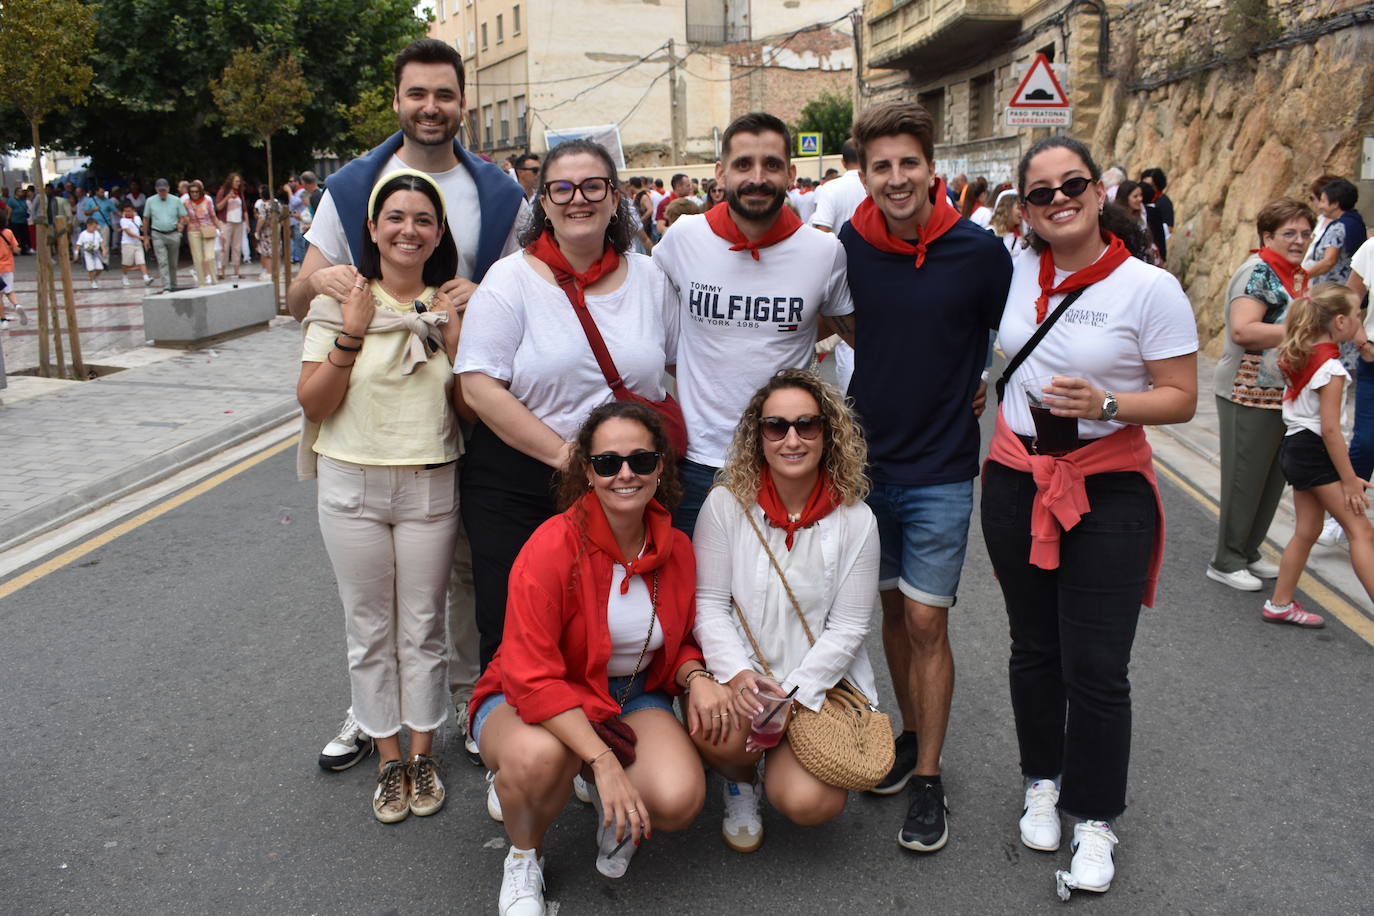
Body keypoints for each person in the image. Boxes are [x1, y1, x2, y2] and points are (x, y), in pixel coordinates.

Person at [291, 38, 527, 773]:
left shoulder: (499, 191)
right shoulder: (356, 182)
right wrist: (338, 295)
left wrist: (477, 302)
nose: (431, 107)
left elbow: (525, 284)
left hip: (470, 394)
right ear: (397, 100)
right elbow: (298, 290)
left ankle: (455, 700)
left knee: (457, 573)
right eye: (417, 94)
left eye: (444, 95)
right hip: (368, 408)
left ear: (464, 102)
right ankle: (374, 714)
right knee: (374, 601)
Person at [981, 135, 1197, 899]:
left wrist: (1109, 404)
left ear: (1098, 190)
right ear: (1025, 207)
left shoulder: (1148, 287)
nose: (1058, 199)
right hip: (1014, 480)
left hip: (1106, 489)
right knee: (1033, 647)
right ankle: (1042, 777)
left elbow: (1182, 396)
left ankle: (1096, 818)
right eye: (1041, 192)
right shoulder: (1010, 271)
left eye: (1071, 183)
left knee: (1098, 668)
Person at [840, 100, 1012, 853]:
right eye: (882, 166)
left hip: (943, 468)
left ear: (931, 170)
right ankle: (909, 737)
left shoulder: (979, 253)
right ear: (865, 175)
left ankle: (932, 777)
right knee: (888, 616)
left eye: (908, 163)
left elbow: (1016, 331)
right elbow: (844, 321)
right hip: (864, 467)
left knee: (925, 621)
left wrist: (977, 377)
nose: (896, 177)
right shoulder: (849, 245)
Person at [471, 402, 720, 915]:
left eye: (640, 461)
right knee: (539, 759)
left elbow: (680, 641)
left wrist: (696, 676)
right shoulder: (551, 546)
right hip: (530, 696)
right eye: (607, 463)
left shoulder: (676, 547)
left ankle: (611, 804)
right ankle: (525, 853)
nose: (624, 474)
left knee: (677, 798)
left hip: (626, 694)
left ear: (661, 468)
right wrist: (604, 762)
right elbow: (530, 676)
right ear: (587, 470)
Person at [456, 137, 678, 676]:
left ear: (615, 197)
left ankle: (613, 724)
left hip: (624, 480)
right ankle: (512, 740)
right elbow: (478, 386)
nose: (578, 198)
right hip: (522, 480)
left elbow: (680, 369)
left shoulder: (650, 279)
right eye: (562, 187)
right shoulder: (509, 280)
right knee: (518, 619)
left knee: (615, 616)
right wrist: (564, 456)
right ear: (545, 203)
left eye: (593, 186)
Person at [297, 169, 465, 823]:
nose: (408, 229)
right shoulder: (340, 300)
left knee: (423, 628)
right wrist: (354, 331)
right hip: (351, 482)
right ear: (372, 228)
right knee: (368, 630)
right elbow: (312, 400)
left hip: (429, 481)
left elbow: (470, 412)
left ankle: (423, 754)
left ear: (438, 234)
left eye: (423, 219)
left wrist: (454, 342)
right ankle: (389, 757)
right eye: (395, 217)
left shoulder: (449, 310)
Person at [691, 368, 880, 852]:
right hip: (746, 679)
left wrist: (791, 695)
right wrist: (737, 677)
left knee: (809, 801)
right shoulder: (724, 505)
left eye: (806, 425)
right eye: (776, 427)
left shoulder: (857, 519)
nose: (791, 439)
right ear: (759, 436)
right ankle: (739, 779)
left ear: (828, 433)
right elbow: (709, 604)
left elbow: (851, 626)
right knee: (717, 729)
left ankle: (783, 760)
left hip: (817, 685)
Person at [652, 111, 854, 538]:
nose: (757, 177)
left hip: (787, 460)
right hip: (699, 465)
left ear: (791, 173)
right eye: (744, 164)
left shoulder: (823, 251)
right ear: (721, 173)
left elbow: (851, 329)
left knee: (782, 598)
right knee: (696, 599)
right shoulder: (683, 238)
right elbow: (647, 311)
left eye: (772, 165)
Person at [1209, 198, 1317, 590]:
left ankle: (1249, 551)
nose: (1299, 240)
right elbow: (1243, 330)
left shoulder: (1296, 275)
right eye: (1289, 233)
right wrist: (1304, 332)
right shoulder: (1258, 272)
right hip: (1246, 391)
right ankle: (1226, 558)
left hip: (1280, 393)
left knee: (1271, 479)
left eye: (1305, 233)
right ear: (1267, 236)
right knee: (1245, 478)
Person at [1266, 284, 1372, 628]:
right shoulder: (1332, 369)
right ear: (1340, 322)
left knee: (1308, 529)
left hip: (1296, 449)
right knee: (1360, 531)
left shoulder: (1304, 353)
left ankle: (1280, 604)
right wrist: (1349, 481)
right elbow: (1330, 431)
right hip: (1314, 452)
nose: (1361, 320)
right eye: (1358, 315)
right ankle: (1280, 603)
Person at [1308, 177, 1365, 288]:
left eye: (1323, 201)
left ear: (1335, 204)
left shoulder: (1338, 227)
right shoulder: (1356, 221)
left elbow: (1329, 261)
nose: (1320, 206)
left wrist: (1304, 275)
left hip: (1332, 289)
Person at [808, 140, 867, 235]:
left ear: (843, 163)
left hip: (839, 248)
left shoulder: (829, 188)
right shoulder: (875, 186)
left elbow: (822, 232)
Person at [142, 178, 187, 293]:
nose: (162, 192)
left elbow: (184, 216)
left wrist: (181, 225)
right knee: (163, 261)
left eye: (164, 190)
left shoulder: (176, 200)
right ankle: (166, 286)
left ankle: (173, 284)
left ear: (168, 189)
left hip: (173, 233)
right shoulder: (150, 201)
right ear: (156, 190)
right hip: (157, 233)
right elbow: (146, 219)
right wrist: (146, 237)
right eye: (160, 190)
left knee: (173, 262)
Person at [183, 181, 221, 286]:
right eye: (192, 192)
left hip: (208, 229)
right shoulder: (186, 203)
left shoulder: (207, 201)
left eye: (196, 191)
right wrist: (183, 220)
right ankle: (201, 282)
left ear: (200, 191)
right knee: (198, 258)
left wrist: (220, 229)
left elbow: (213, 216)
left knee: (209, 257)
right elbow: (183, 217)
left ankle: (214, 280)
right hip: (193, 230)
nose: (194, 194)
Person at [215, 173, 247, 279]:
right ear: (230, 182)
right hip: (226, 222)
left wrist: (246, 223)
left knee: (237, 247)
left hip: (238, 222)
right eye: (236, 181)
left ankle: (236, 270)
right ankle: (222, 271)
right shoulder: (223, 191)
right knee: (224, 246)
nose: (238, 183)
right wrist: (228, 197)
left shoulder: (240, 193)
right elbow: (218, 207)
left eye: (239, 181)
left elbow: (244, 209)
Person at [117, 202, 153, 287]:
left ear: (133, 210)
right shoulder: (123, 220)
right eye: (126, 211)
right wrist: (140, 237)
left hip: (137, 243)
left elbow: (140, 227)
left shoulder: (137, 218)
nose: (128, 213)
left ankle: (146, 278)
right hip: (127, 243)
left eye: (129, 211)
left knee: (141, 261)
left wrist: (144, 230)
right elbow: (128, 232)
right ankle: (125, 276)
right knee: (127, 263)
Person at [990, 188, 1026, 260]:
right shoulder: (990, 233)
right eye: (1019, 208)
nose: (1022, 213)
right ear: (1007, 209)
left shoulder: (1022, 236)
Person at [74, 217, 108, 289]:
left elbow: (101, 242)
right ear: (88, 225)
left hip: (96, 252)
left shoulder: (97, 233)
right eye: (93, 227)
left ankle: (94, 277)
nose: (94, 228)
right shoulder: (83, 234)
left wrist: (104, 250)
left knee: (100, 267)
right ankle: (92, 281)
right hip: (88, 253)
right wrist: (76, 253)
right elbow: (78, 244)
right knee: (91, 268)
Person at [655, 172, 692, 238]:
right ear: (678, 187)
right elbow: (660, 228)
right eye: (688, 185)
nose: (690, 188)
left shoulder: (689, 202)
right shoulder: (665, 203)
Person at [0, 220, 23, 328]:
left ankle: (3, 320)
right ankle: (17, 305)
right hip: (8, 266)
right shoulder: (8, 232)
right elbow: (16, 249)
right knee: (9, 291)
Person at [7, 187, 31, 255]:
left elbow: (26, 208)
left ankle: (24, 249)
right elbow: (9, 210)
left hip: (23, 221)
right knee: (16, 236)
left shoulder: (23, 200)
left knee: (24, 236)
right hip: (15, 221)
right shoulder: (11, 200)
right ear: (16, 192)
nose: (21, 193)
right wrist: (8, 219)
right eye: (20, 191)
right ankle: (15, 250)